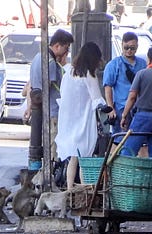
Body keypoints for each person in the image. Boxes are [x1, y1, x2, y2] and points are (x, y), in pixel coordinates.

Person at [55, 42, 107, 189]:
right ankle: (85, 191)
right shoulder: (89, 75)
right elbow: (97, 99)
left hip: (68, 120)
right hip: (84, 120)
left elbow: (63, 94)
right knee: (85, 158)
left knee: (73, 157)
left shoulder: (69, 72)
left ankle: (70, 190)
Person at [28, 28, 74, 171]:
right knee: (53, 147)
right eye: (66, 48)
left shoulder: (37, 57)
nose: (66, 52)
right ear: (57, 45)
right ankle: (51, 174)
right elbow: (47, 87)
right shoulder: (50, 62)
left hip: (43, 111)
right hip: (52, 111)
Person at [120, 46, 152, 157]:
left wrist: (124, 115)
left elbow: (132, 97)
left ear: (149, 59)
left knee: (129, 150)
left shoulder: (142, 73)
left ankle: (125, 173)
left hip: (143, 115)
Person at [103, 32, 147, 136]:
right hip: (121, 107)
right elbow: (108, 87)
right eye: (126, 47)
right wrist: (110, 108)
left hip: (139, 108)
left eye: (132, 48)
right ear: (122, 45)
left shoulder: (143, 63)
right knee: (119, 139)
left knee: (139, 140)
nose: (129, 51)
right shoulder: (114, 64)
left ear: (137, 47)